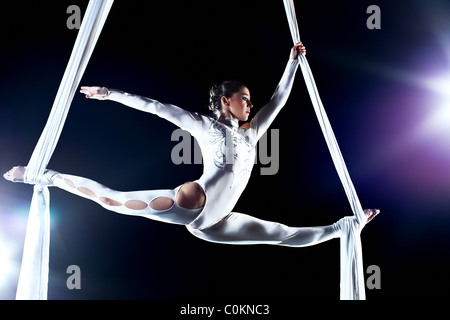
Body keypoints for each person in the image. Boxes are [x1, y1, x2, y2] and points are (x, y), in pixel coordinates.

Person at [4, 42, 379, 247]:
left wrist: (293, 61)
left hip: (215, 224)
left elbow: (279, 98)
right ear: (224, 102)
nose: (250, 104)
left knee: (281, 234)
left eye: (250, 99)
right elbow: (155, 107)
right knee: (111, 199)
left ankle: (347, 226)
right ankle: (44, 175)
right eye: (243, 98)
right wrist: (109, 94)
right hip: (192, 201)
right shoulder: (203, 125)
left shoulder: (251, 132)